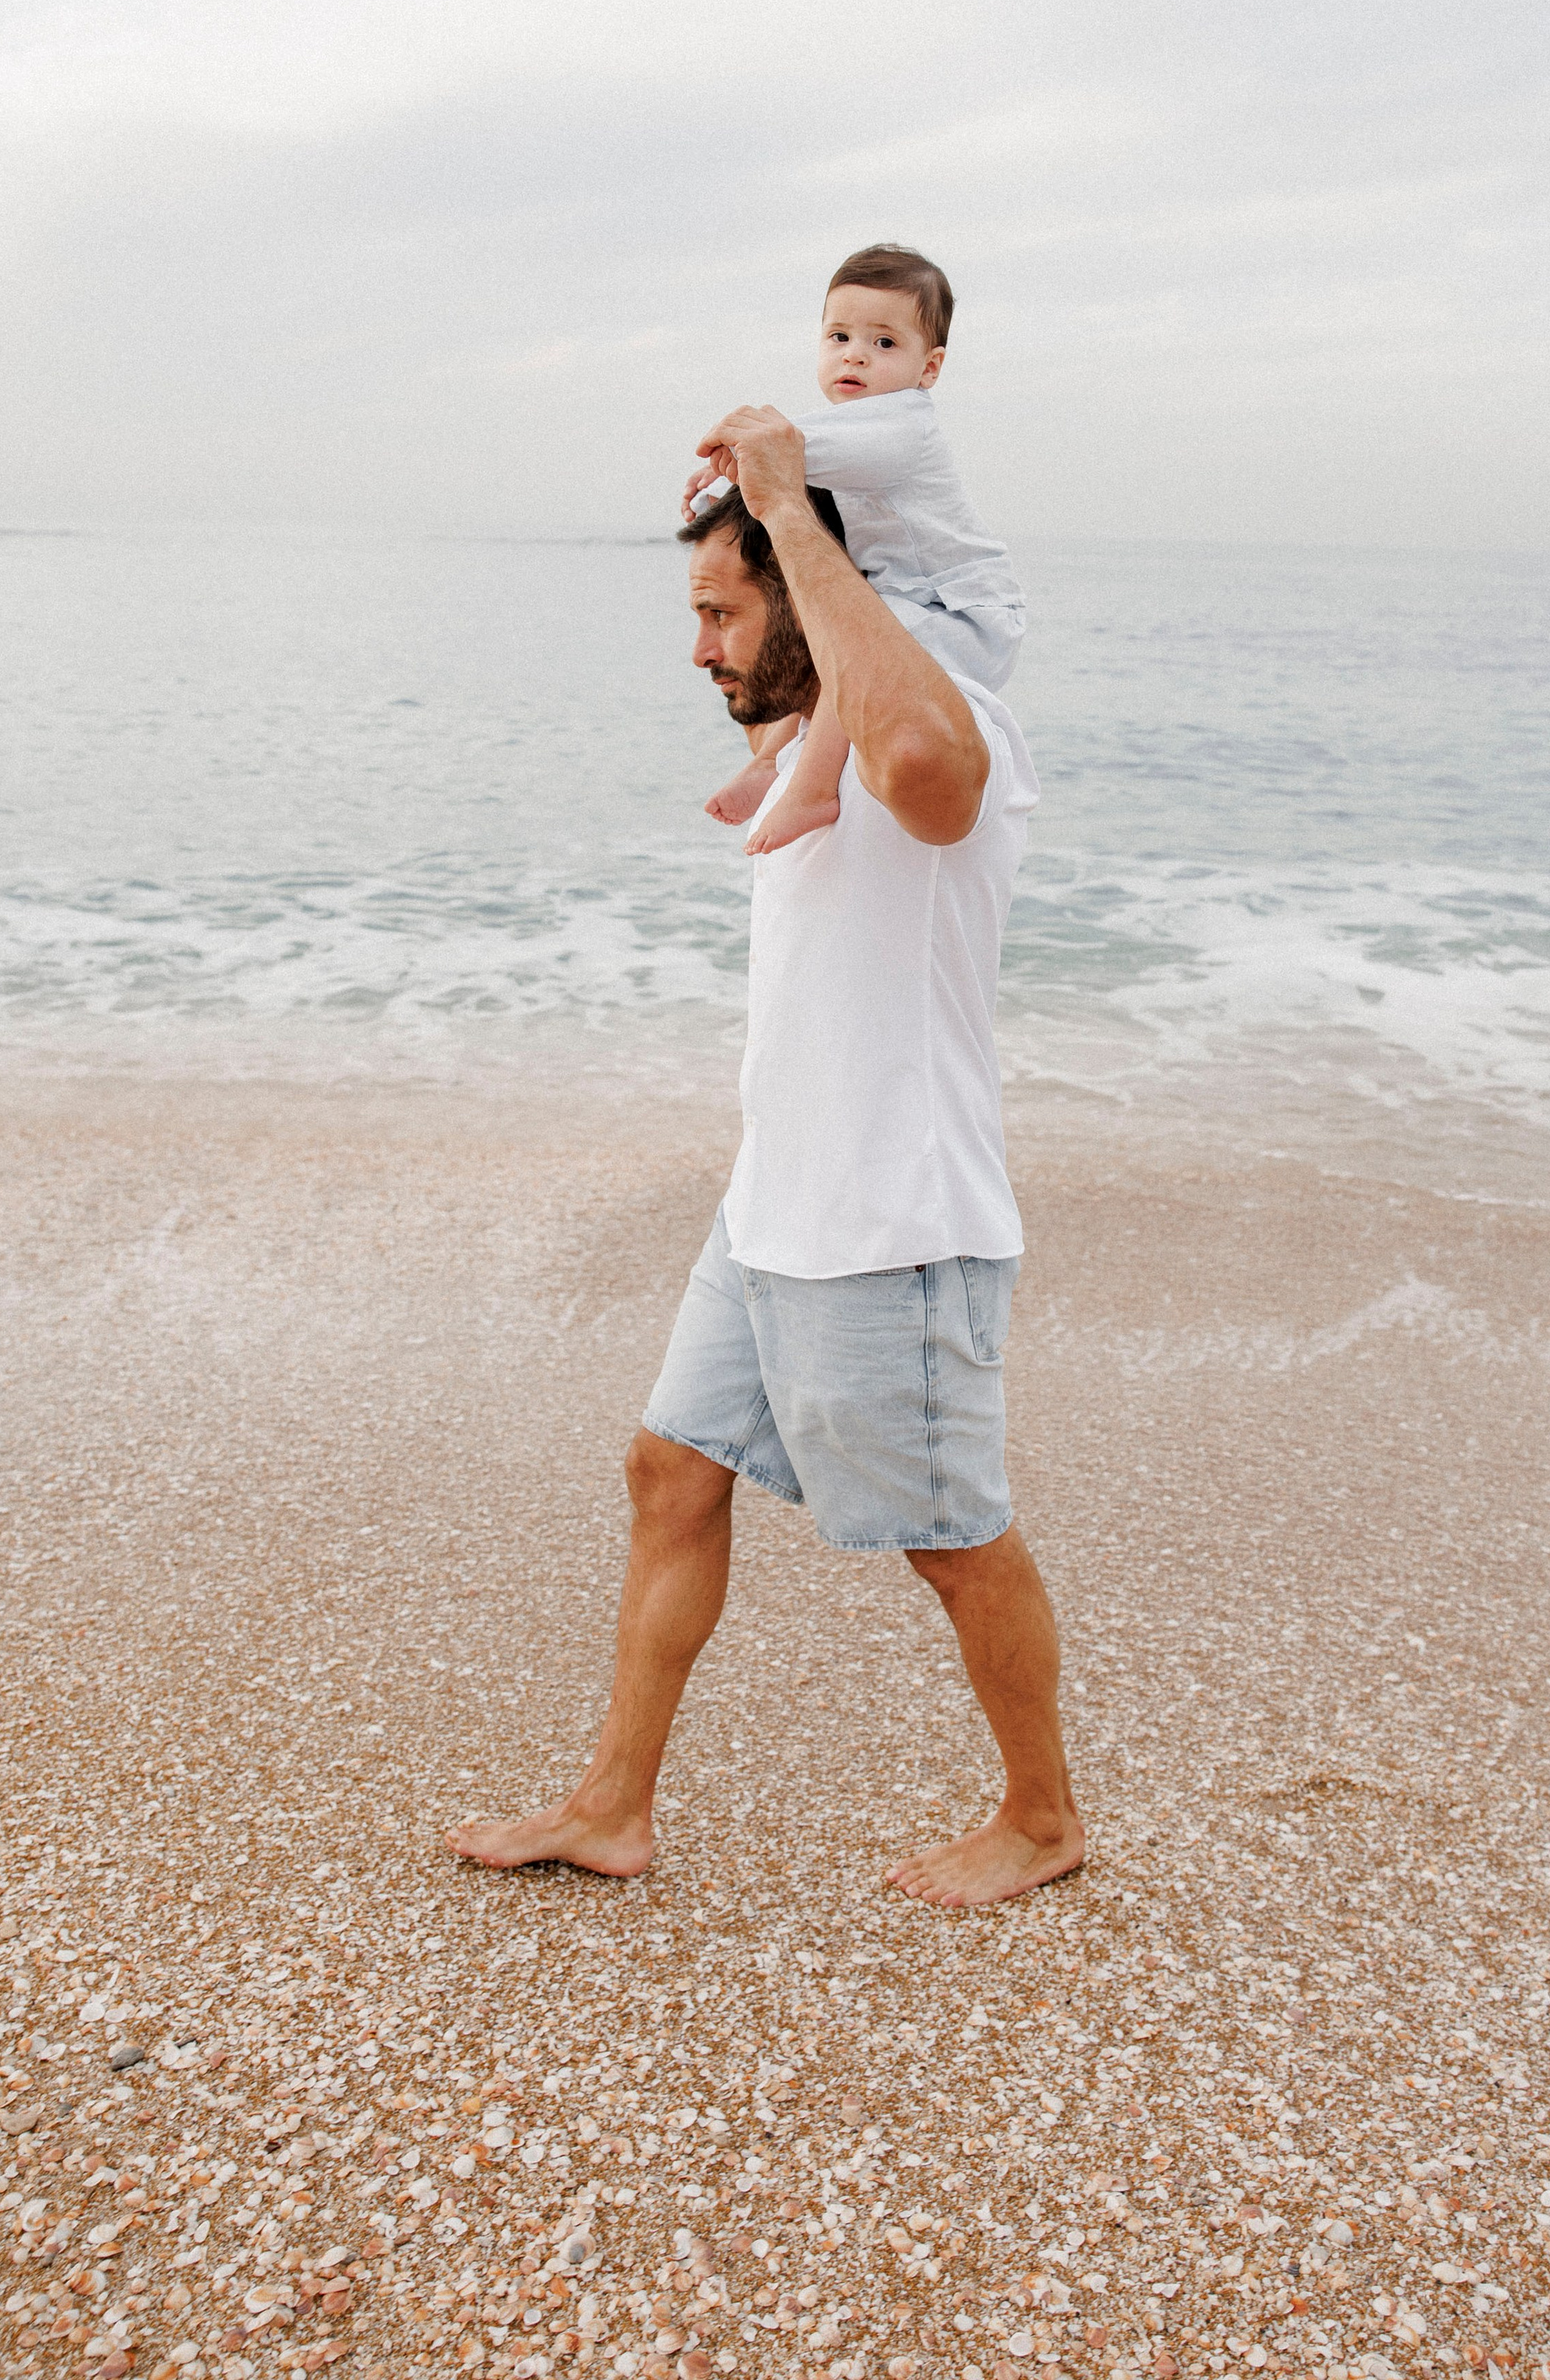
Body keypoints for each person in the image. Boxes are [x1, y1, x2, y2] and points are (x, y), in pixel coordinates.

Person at [447, 405, 1082, 1909]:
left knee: (948, 1540)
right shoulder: (809, 735)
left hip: (889, 1218)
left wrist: (796, 516)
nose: (700, 649)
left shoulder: (942, 723)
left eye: (721, 612)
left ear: (808, 590)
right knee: (669, 1472)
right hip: (771, 1205)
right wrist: (767, 516)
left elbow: (923, 762)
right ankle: (611, 1805)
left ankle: (1044, 1820)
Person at [691, 242, 1025, 855]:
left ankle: (814, 786)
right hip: (909, 596)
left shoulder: (904, 426)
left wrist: (723, 459)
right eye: (839, 337)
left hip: (963, 610)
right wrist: (728, 470)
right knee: (827, 633)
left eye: (885, 344)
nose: (856, 356)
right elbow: (789, 453)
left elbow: (786, 450)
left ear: (930, 368)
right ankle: (773, 760)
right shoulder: (854, 428)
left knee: (858, 642)